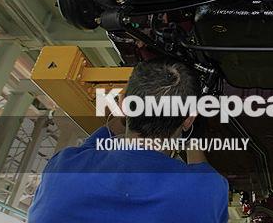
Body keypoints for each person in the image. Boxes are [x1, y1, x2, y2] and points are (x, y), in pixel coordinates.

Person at [29, 57, 228, 222]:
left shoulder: (65, 166)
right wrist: (192, 137)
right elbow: (202, 174)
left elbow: (104, 135)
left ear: (123, 104)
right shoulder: (208, 189)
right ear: (189, 119)